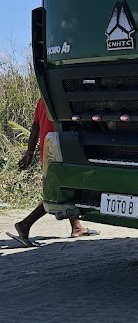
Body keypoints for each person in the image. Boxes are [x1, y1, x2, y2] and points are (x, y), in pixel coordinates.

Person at [6, 98, 99, 247]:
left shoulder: (42, 100)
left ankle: (77, 227)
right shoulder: (61, 98)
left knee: (68, 187)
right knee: (57, 193)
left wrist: (30, 152)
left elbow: (35, 127)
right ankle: (25, 224)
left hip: (48, 150)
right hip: (60, 149)